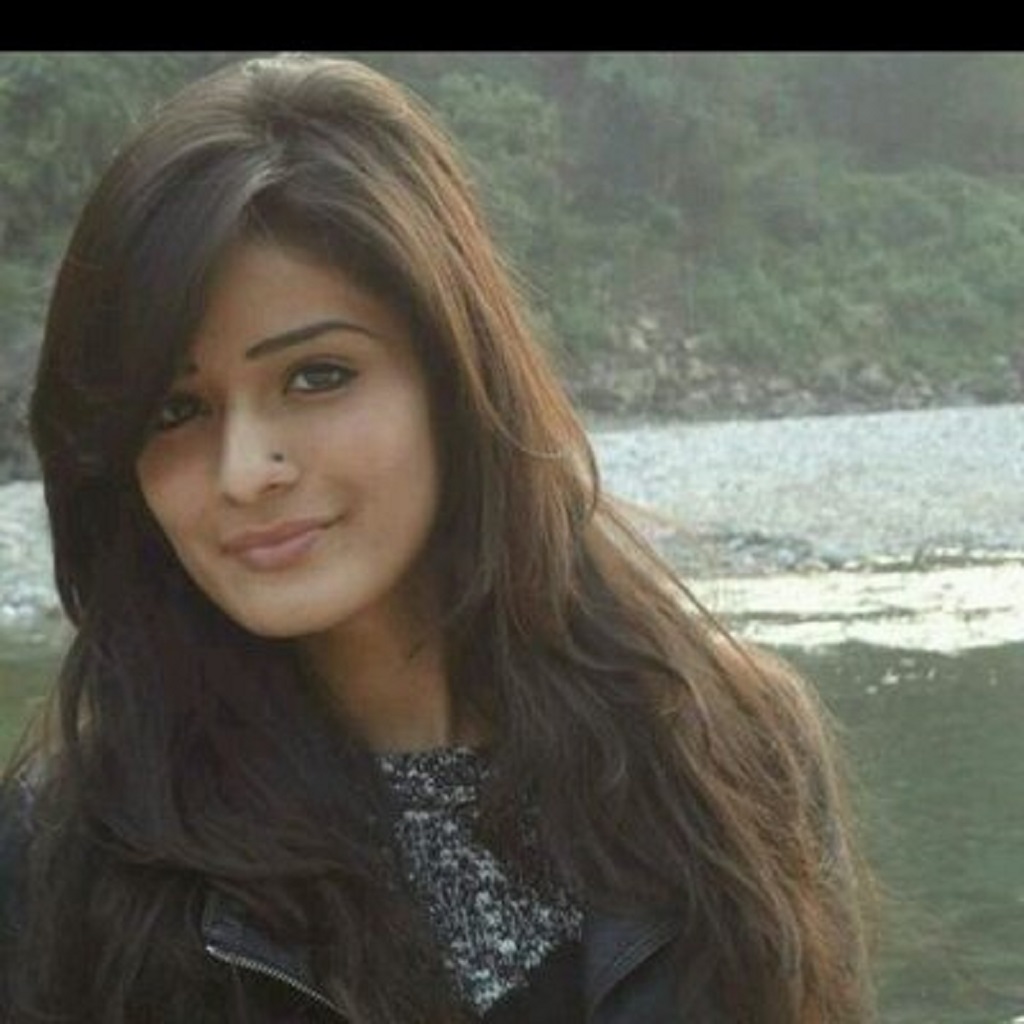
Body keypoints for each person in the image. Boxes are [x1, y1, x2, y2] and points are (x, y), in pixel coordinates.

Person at [0, 53, 874, 1023]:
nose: (245, 470)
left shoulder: (727, 749)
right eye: (176, 410)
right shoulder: (66, 855)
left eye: (316, 376)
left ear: (455, 378)